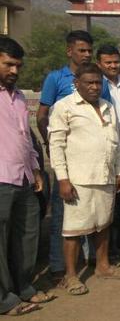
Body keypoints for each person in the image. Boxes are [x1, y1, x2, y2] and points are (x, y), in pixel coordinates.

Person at [48, 63, 120, 295]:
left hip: (105, 176)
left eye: (98, 82)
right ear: (77, 84)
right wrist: (63, 179)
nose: (95, 87)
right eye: (90, 83)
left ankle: (103, 266)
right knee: (74, 230)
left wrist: (118, 172)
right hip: (78, 180)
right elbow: (56, 145)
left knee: (103, 224)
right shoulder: (64, 107)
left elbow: (115, 144)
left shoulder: (107, 106)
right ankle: (71, 275)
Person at [36, 30, 109, 283]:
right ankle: (61, 269)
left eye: (90, 50)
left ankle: (98, 264)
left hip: (100, 170)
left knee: (100, 221)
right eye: (82, 50)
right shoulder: (57, 80)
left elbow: (108, 128)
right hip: (72, 166)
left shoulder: (103, 90)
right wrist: (59, 163)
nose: (86, 54)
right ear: (69, 51)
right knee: (65, 221)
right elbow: (43, 115)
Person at [0, 37, 49, 316]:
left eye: (18, 65)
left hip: (24, 177)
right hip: (1, 178)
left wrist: (36, 169)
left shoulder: (17, 97)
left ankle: (23, 288)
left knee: (27, 235)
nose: (14, 71)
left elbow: (25, 138)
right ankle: (4, 299)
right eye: (8, 64)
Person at [95, 45, 120, 259]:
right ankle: (101, 251)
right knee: (103, 203)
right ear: (99, 63)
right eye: (108, 62)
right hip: (104, 149)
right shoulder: (95, 85)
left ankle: (118, 243)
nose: (112, 66)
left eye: (116, 62)